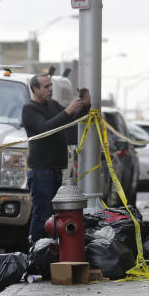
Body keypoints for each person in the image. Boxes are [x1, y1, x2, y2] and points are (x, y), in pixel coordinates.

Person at [21, 74, 90, 244]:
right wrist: (68, 110)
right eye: (46, 87)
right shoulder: (29, 109)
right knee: (42, 216)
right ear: (35, 89)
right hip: (40, 172)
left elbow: (71, 119)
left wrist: (85, 105)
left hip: (56, 171)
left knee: (55, 216)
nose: (51, 89)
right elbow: (45, 128)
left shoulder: (53, 105)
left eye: (51, 85)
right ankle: (37, 252)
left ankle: (53, 252)